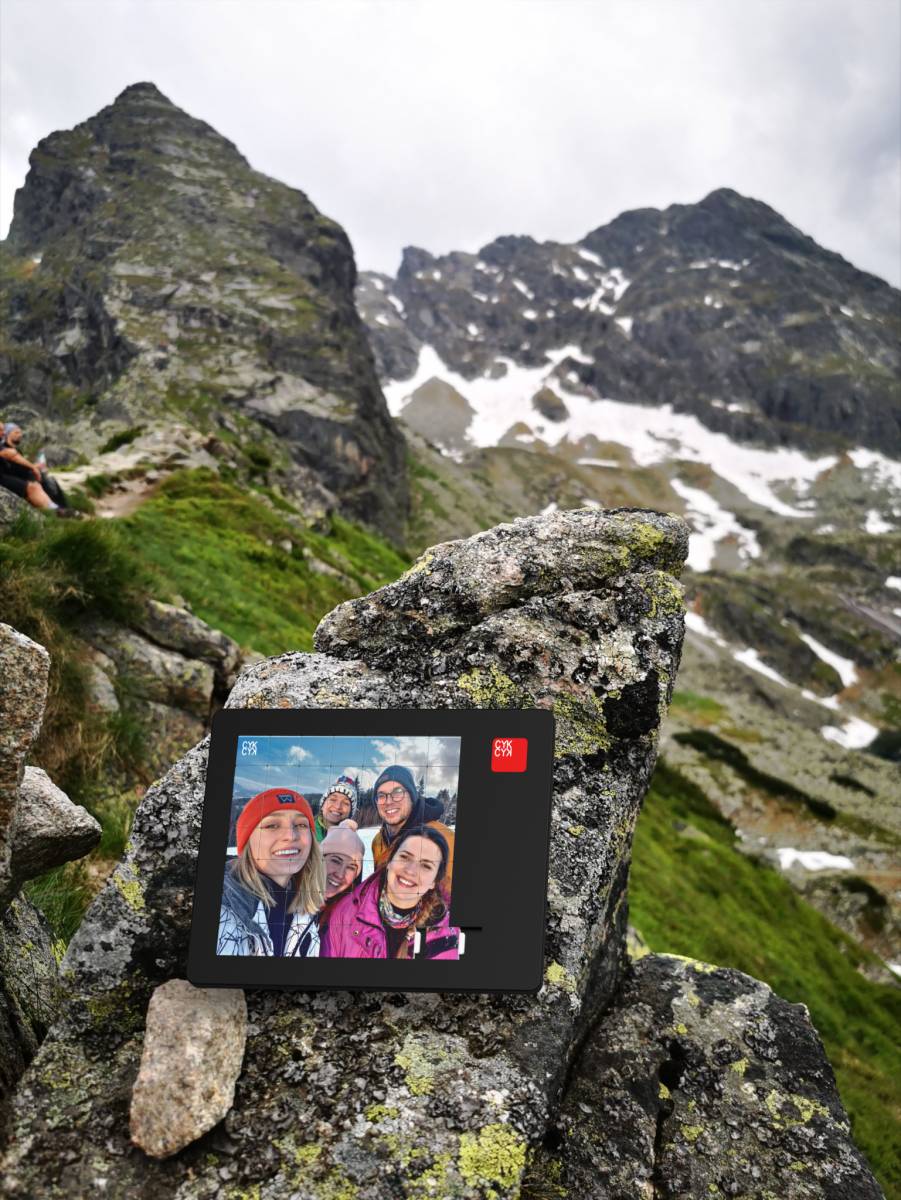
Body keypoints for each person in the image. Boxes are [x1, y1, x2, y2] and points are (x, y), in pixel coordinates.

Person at [320, 826, 460, 960]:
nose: (410, 871)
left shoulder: (447, 935)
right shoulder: (344, 914)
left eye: (425, 865)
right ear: (389, 861)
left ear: (434, 881)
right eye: (405, 857)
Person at [217, 787, 324, 957]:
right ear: (247, 840)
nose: (291, 835)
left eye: (301, 824)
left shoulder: (309, 912)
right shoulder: (223, 907)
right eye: (272, 825)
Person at [370, 765, 455, 882]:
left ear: (412, 797)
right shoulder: (378, 840)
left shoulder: (445, 839)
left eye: (397, 792)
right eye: (381, 796)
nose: (388, 801)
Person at [0, 421, 75, 515]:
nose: (20, 435)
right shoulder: (4, 447)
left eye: (3, 430)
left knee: (46, 481)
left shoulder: (10, 448)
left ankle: (61, 508)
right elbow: (10, 455)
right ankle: (58, 510)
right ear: (9, 433)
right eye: (16, 432)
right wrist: (33, 467)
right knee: (37, 484)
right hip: (9, 477)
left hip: (15, 475)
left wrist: (35, 466)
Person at [317, 822, 366, 939]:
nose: (340, 875)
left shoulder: (349, 919)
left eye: (351, 867)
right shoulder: (290, 897)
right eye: (335, 861)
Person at [314, 773, 359, 841]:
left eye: (346, 803)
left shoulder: (353, 840)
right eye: (333, 799)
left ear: (351, 812)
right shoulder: (306, 833)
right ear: (322, 805)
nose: (338, 806)